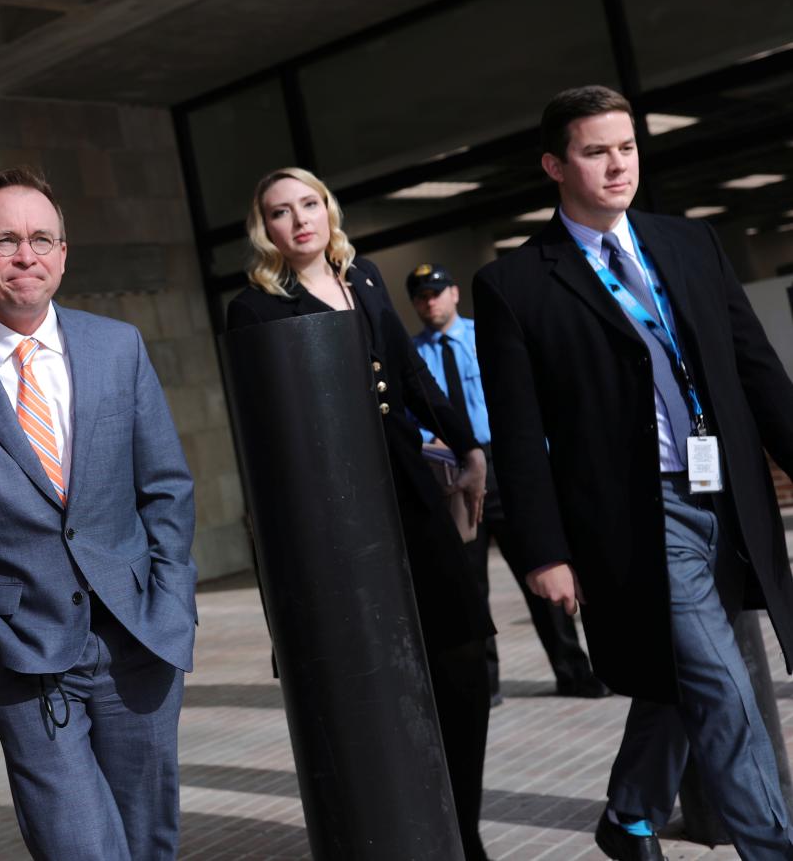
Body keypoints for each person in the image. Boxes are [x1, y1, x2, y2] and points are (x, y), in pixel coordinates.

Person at [474, 85, 793, 861]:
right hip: (638, 512)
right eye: (594, 150)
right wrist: (543, 550)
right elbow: (519, 434)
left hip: (727, 497)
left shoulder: (689, 242)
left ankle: (629, 812)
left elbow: (755, 368)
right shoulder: (514, 284)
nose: (617, 165)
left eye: (625, 147)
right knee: (722, 686)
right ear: (554, 164)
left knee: (684, 677)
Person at [0, 166, 198, 860]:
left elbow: (165, 487)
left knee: (148, 843)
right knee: (79, 846)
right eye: (3, 240)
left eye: (41, 238)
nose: (25, 255)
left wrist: (173, 601)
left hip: (138, 642)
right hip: (21, 655)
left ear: (62, 253)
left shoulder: (118, 348)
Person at [226, 167, 495, 861]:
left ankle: (460, 828)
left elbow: (410, 376)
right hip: (336, 513)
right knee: (372, 667)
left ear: (327, 208)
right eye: (279, 212)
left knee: (462, 655)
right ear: (264, 229)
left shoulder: (366, 277)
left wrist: (467, 446)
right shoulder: (253, 307)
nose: (298, 220)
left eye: (309, 204)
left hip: (406, 488)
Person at [407, 262, 609, 705]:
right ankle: (484, 683)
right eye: (421, 296)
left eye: (437, 292)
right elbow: (409, 419)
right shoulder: (413, 355)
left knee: (540, 567)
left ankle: (573, 671)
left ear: (455, 293)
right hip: (454, 473)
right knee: (470, 586)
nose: (430, 301)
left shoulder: (488, 335)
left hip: (507, 467)